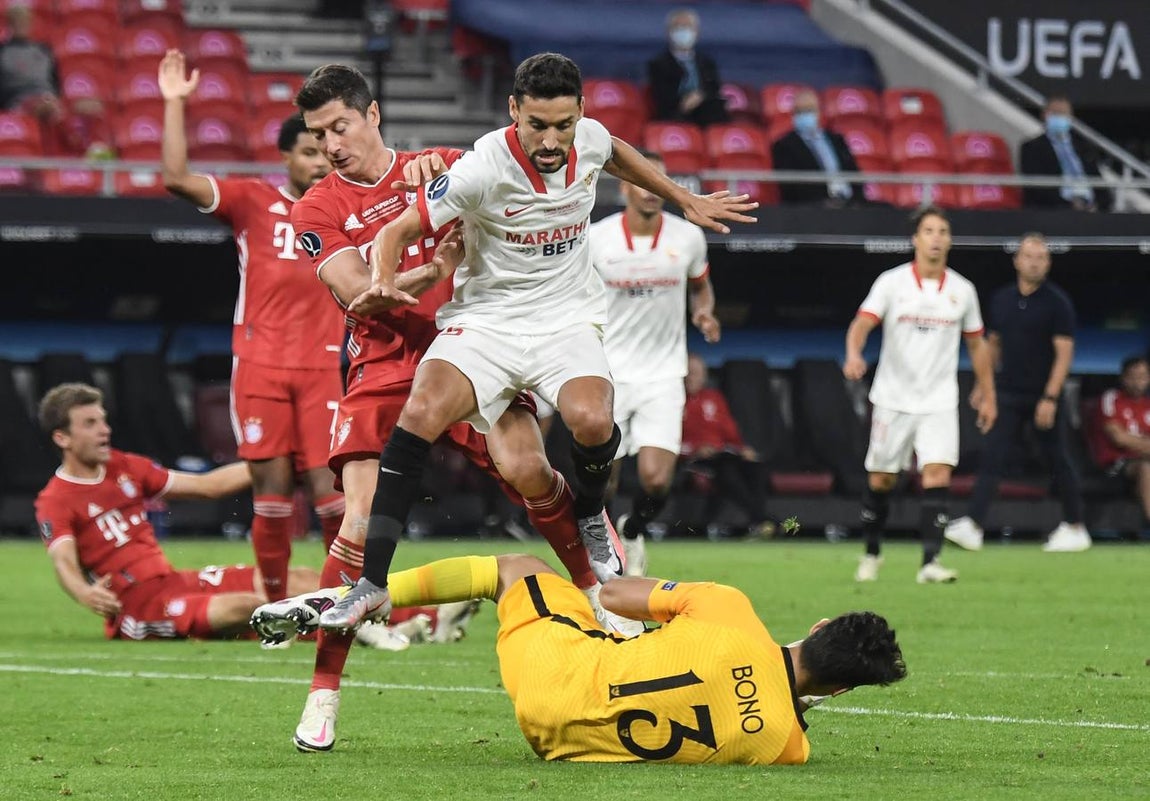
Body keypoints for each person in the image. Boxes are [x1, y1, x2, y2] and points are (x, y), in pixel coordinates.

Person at [321, 51, 756, 635]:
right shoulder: (481, 167)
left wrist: (685, 199)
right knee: (420, 412)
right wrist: (385, 281)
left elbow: (617, 152)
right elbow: (398, 231)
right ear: (513, 113)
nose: (551, 140)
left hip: (564, 319)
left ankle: (591, 517)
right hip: (486, 321)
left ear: (579, 114)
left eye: (563, 125)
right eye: (537, 126)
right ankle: (373, 585)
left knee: (591, 421)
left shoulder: (592, 139)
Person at [286, 61, 643, 752]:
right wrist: (430, 269)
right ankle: (324, 696)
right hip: (386, 366)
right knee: (359, 524)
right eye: (317, 133)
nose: (330, 144)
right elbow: (361, 294)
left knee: (530, 469)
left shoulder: (445, 165)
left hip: (470, 342)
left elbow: (528, 192)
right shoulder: (316, 209)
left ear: (373, 115)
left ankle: (601, 594)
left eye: (339, 126)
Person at [253, 552, 907, 764]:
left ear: (819, 624)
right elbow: (784, 708)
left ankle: (367, 594)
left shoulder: (731, 607)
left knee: (517, 567)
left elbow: (615, 591)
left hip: (558, 667)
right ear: (843, 691)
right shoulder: (786, 746)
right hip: (563, 740)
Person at [159, 50, 348, 604]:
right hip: (261, 367)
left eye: (325, 153)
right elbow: (175, 178)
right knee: (270, 494)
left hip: (322, 369)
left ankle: (341, 604)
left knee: (331, 494)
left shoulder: (350, 210)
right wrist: (175, 104)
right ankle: (274, 610)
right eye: (308, 152)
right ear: (285, 156)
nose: (320, 162)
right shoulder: (253, 201)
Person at [32, 382, 312, 641]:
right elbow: (63, 561)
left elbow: (208, 486)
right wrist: (84, 593)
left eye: (103, 420)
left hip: (173, 582)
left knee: (300, 579)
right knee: (247, 606)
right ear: (62, 438)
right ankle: (334, 632)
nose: (104, 429)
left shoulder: (125, 467)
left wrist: (278, 462)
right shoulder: (54, 500)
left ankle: (342, 618)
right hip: (137, 607)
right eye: (90, 424)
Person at [844, 206, 997, 584]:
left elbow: (977, 345)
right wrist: (853, 352)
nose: (936, 238)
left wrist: (986, 391)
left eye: (943, 231)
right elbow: (862, 323)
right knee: (881, 480)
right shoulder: (891, 283)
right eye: (928, 230)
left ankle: (930, 562)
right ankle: (872, 552)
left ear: (949, 239)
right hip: (893, 398)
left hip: (939, 399)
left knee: (937, 472)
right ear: (916, 239)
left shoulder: (963, 291)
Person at [590, 150, 719, 576]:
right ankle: (607, 554)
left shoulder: (687, 237)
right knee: (603, 476)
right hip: (610, 372)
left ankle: (634, 527)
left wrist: (703, 313)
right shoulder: (597, 238)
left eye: (659, 182)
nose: (651, 191)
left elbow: (701, 287)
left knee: (656, 480)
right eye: (643, 182)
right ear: (624, 185)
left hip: (664, 374)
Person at [945, 233, 1091, 553]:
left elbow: (1064, 352)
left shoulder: (1058, 302)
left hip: (1043, 395)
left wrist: (1051, 398)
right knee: (992, 457)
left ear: (1048, 263)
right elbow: (992, 344)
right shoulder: (1002, 299)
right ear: (1016, 260)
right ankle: (973, 525)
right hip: (1008, 392)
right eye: (1029, 256)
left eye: (1041, 257)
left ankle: (1076, 526)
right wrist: (984, 388)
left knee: (1058, 460)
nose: (1034, 263)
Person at [680, 353, 775, 539]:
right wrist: (694, 449)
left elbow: (730, 431)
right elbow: (668, 441)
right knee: (726, 471)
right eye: (688, 372)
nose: (691, 377)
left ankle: (758, 522)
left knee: (755, 468)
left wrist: (742, 448)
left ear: (704, 376)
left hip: (723, 454)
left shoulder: (714, 398)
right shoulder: (673, 401)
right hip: (694, 459)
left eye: (696, 373)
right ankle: (763, 520)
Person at [0, 4, 108, 156]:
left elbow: (55, 84)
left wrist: (66, 103)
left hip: (48, 99)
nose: (21, 25)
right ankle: (79, 151)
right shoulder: (3, 51)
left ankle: (92, 153)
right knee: (49, 109)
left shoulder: (44, 50)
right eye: (17, 21)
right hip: (18, 102)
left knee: (90, 106)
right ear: (9, 24)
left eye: (24, 20)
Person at [770, 88, 861, 207]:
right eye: (799, 111)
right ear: (793, 114)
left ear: (818, 112)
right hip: (814, 207)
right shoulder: (784, 146)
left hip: (849, 203)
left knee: (885, 209)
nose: (805, 115)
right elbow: (789, 187)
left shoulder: (837, 140)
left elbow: (854, 173)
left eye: (809, 110)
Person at [1090, 356, 1150, 532]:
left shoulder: (1148, 404)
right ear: (1123, 377)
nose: (1138, 382)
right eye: (1133, 376)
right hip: (1117, 464)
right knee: (1146, 467)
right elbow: (1119, 438)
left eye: (1143, 376)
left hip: (1143, 457)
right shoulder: (1111, 399)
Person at [1019, 96, 1108, 211]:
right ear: (1044, 115)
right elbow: (1034, 184)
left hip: (1090, 208)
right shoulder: (1031, 147)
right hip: (1054, 209)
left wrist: (1098, 204)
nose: (1059, 117)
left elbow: (1097, 179)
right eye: (1055, 113)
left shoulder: (1084, 147)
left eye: (1063, 113)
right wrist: (1068, 204)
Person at [646, 8, 729, 128]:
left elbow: (714, 88)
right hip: (676, 111)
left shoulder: (707, 63)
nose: (683, 31)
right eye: (678, 27)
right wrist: (685, 103)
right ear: (669, 32)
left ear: (697, 32)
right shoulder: (658, 64)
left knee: (716, 109)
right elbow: (661, 95)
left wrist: (700, 96)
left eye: (687, 27)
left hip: (705, 109)